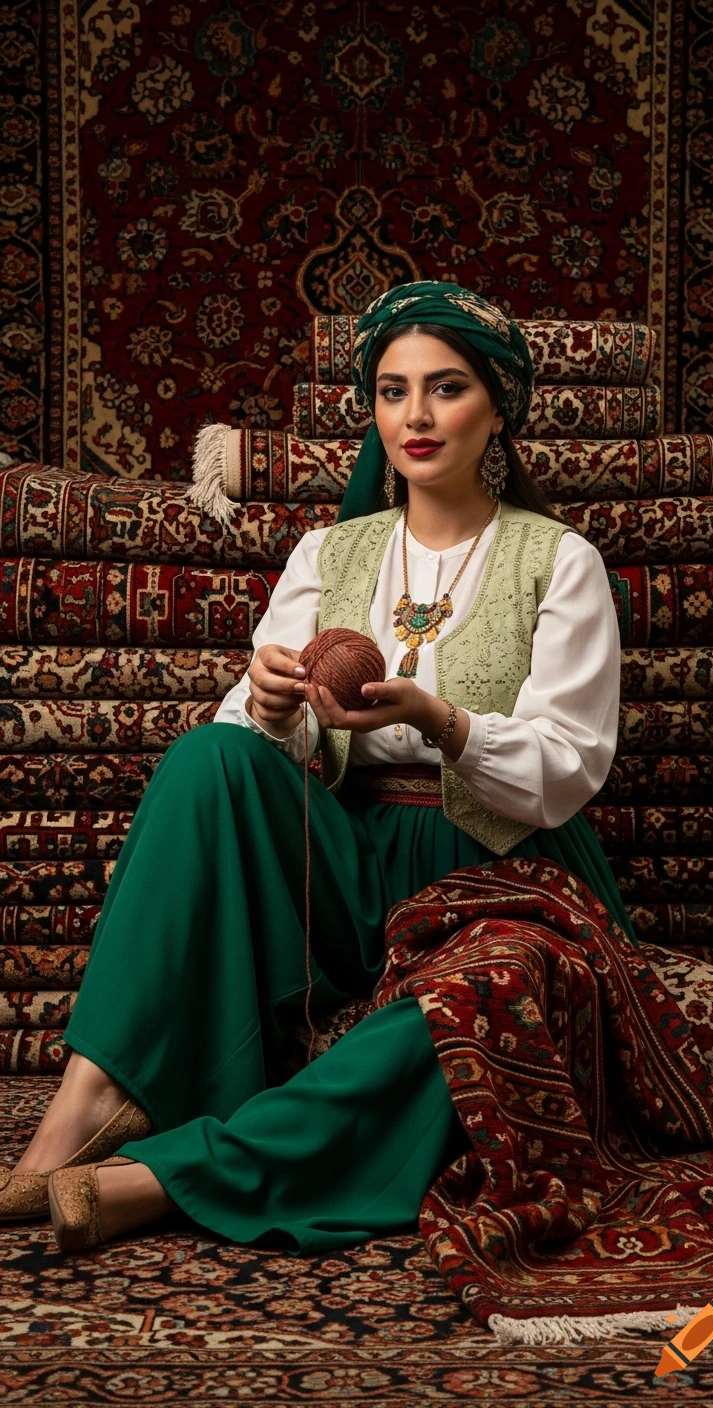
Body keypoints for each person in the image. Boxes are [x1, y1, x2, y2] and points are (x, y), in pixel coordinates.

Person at [0, 281, 636, 1252]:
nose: (416, 416)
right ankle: (88, 1101)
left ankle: (168, 1178)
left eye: (447, 387)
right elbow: (274, 738)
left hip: (504, 872)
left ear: (499, 405)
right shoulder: (328, 555)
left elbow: (568, 766)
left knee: (475, 1001)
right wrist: (269, 708)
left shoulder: (560, 561)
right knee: (212, 755)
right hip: (351, 862)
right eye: (392, 391)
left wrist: (442, 721)